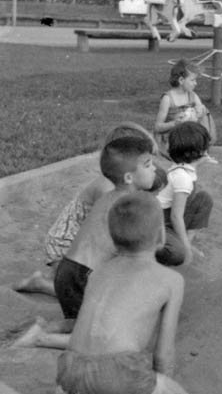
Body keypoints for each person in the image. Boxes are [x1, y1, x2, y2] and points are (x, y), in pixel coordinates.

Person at [52, 191, 199, 394]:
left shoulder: (98, 271)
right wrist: (160, 383)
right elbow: (163, 353)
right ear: (162, 236)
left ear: (112, 237)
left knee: (84, 382)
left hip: (70, 371)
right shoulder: (171, 280)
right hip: (119, 375)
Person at [13, 134, 162, 348]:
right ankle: (42, 339)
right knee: (104, 335)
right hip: (86, 275)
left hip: (67, 270)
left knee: (82, 320)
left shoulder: (107, 197)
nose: (154, 169)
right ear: (129, 178)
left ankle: (45, 327)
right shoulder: (131, 205)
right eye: (148, 165)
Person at [13, 122, 166, 297]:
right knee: (92, 292)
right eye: (146, 162)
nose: (152, 166)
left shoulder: (121, 182)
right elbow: (110, 236)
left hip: (85, 248)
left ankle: (56, 277)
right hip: (65, 244)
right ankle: (41, 284)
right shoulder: (107, 190)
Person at [155, 121, 214, 267]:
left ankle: (185, 240)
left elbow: (188, 168)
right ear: (200, 151)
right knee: (177, 254)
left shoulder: (182, 168)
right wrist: (186, 250)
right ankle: (184, 246)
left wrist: (198, 163)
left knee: (204, 199)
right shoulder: (183, 178)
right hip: (160, 222)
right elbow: (176, 216)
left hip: (166, 215)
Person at [154, 59, 216, 157]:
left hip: (188, 135)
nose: (195, 83)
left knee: (204, 110)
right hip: (172, 139)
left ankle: (204, 145)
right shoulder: (168, 99)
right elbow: (157, 127)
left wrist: (198, 112)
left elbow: (201, 114)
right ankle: (199, 149)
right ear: (181, 80)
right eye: (192, 80)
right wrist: (175, 123)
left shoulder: (192, 95)